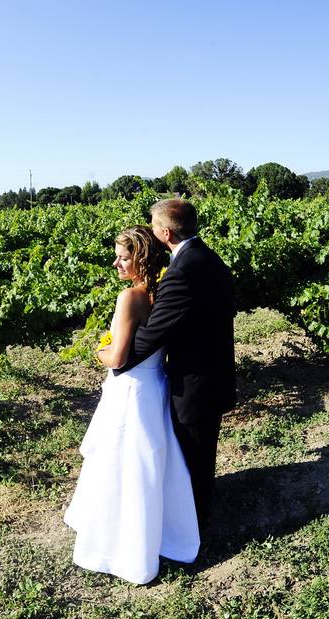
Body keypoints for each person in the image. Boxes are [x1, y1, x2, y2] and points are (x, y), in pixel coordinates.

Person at [64, 225, 200, 585]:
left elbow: (119, 357)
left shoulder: (131, 297)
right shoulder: (166, 289)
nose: (116, 264)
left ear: (140, 258)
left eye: (123, 257)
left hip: (131, 390)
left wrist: (100, 350)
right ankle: (159, 533)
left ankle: (120, 543)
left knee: (121, 464)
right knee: (150, 462)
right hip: (156, 385)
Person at [117, 198, 236, 534]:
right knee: (200, 455)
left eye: (154, 227)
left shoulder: (182, 271)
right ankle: (194, 518)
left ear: (165, 232)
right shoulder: (209, 258)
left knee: (193, 461)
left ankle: (192, 533)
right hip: (214, 371)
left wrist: (117, 360)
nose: (153, 233)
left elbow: (154, 333)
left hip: (196, 381)